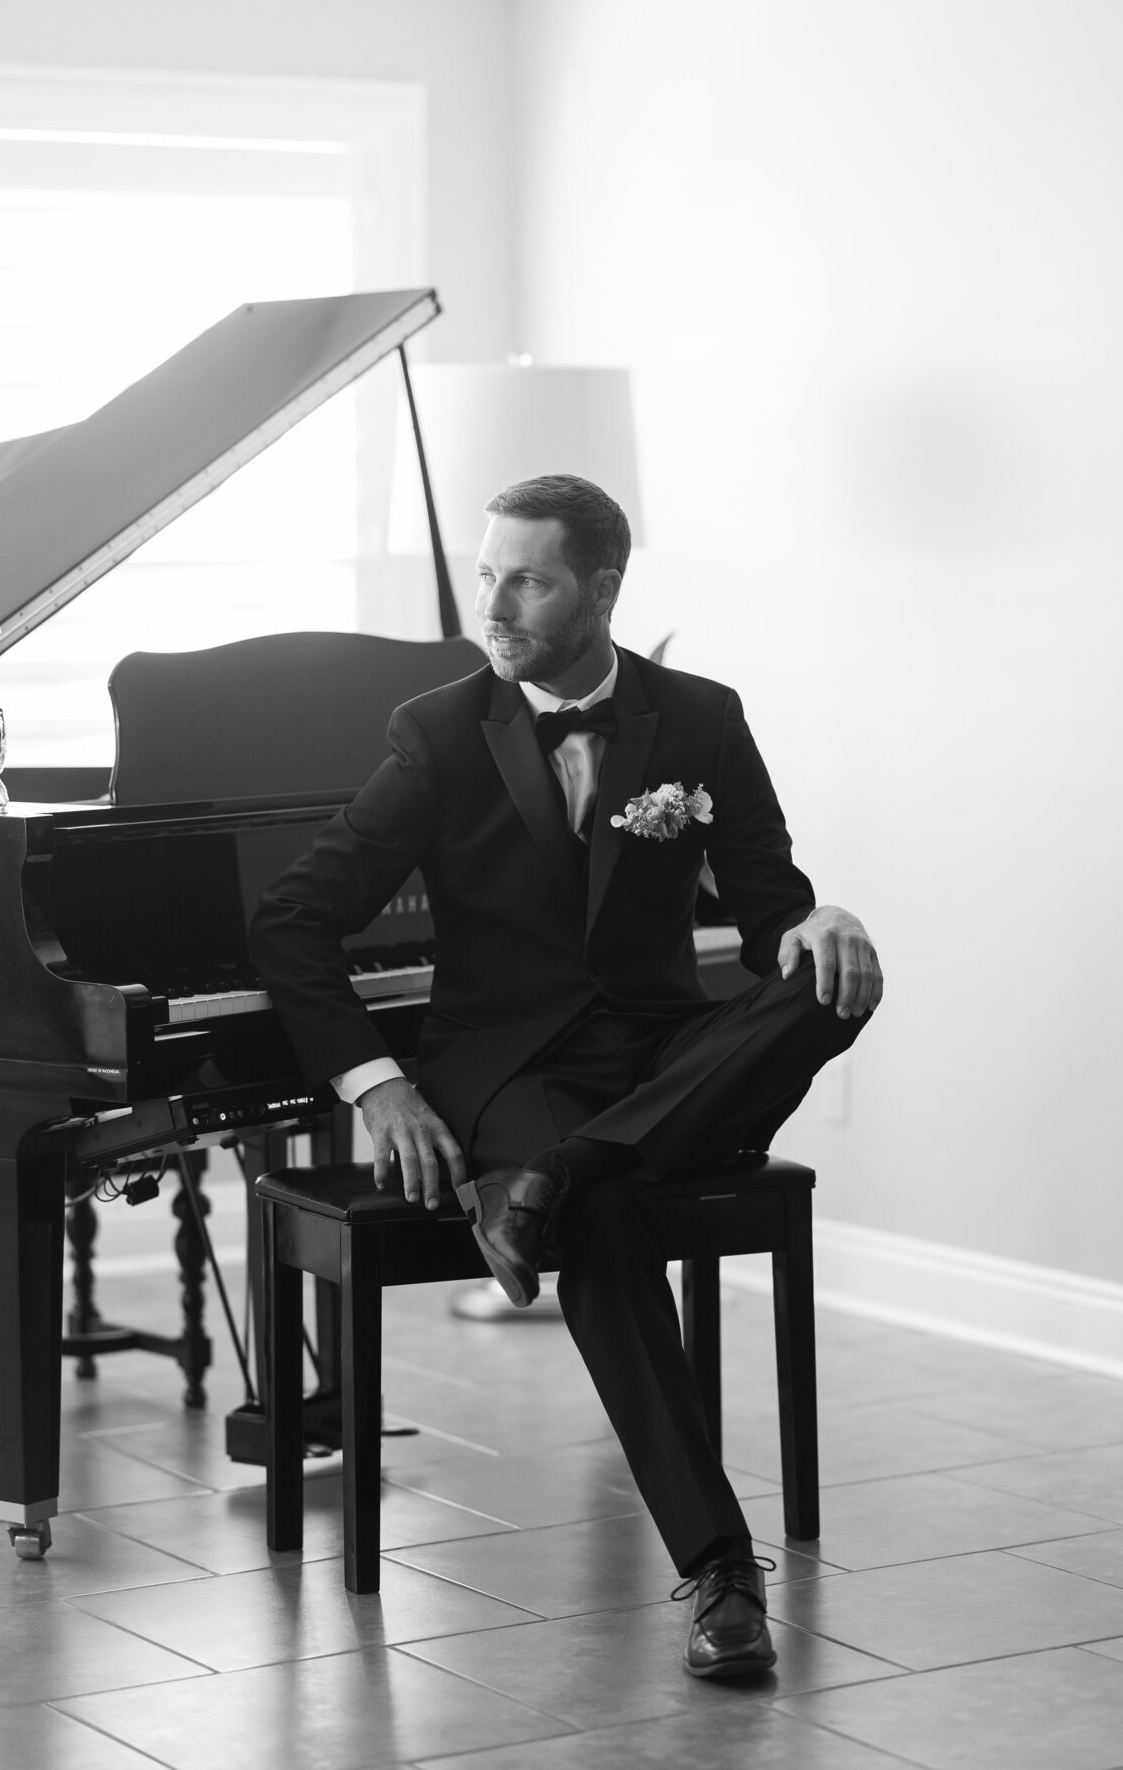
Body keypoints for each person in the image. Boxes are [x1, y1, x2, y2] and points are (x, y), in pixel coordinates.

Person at [250, 473, 882, 1679]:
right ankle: (720, 1571)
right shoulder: (438, 731)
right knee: (603, 1218)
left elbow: (771, 917)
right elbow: (293, 920)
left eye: (526, 579)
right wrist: (379, 1085)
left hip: (666, 1059)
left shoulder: (701, 717)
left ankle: (563, 1173)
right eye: (488, 573)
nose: (495, 601)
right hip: (517, 1069)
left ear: (602, 589)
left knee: (837, 976)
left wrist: (822, 918)